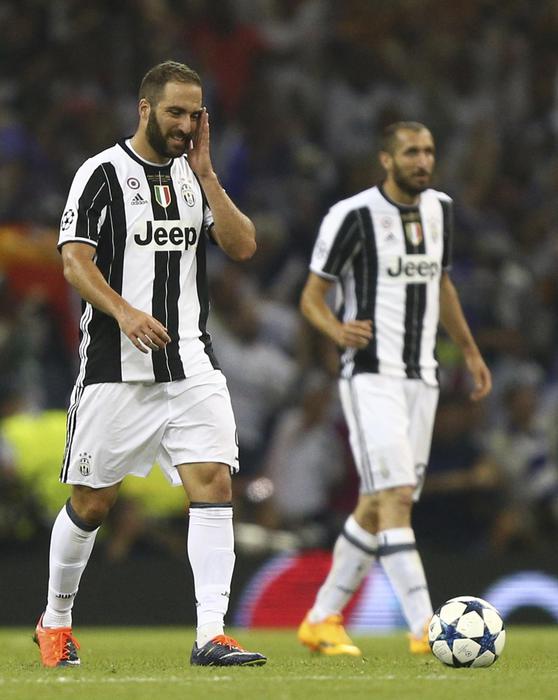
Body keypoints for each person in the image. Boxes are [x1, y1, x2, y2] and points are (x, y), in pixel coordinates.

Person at [33, 60, 266, 668]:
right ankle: (55, 621)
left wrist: (210, 176)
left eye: (196, 114)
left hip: (191, 365)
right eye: (175, 113)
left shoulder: (196, 177)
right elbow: (74, 262)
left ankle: (211, 633)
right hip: (117, 369)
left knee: (214, 484)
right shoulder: (101, 174)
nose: (187, 125)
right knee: (92, 502)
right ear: (145, 109)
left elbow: (243, 246)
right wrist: (124, 312)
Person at [297, 121, 492, 656]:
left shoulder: (441, 210)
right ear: (386, 159)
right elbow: (312, 296)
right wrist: (336, 330)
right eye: (411, 152)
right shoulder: (352, 216)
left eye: (429, 151)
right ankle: (426, 628)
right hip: (371, 376)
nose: (423, 161)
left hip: (422, 379)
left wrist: (471, 351)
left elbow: (442, 283)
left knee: (378, 504)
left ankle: (319, 618)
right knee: (397, 499)